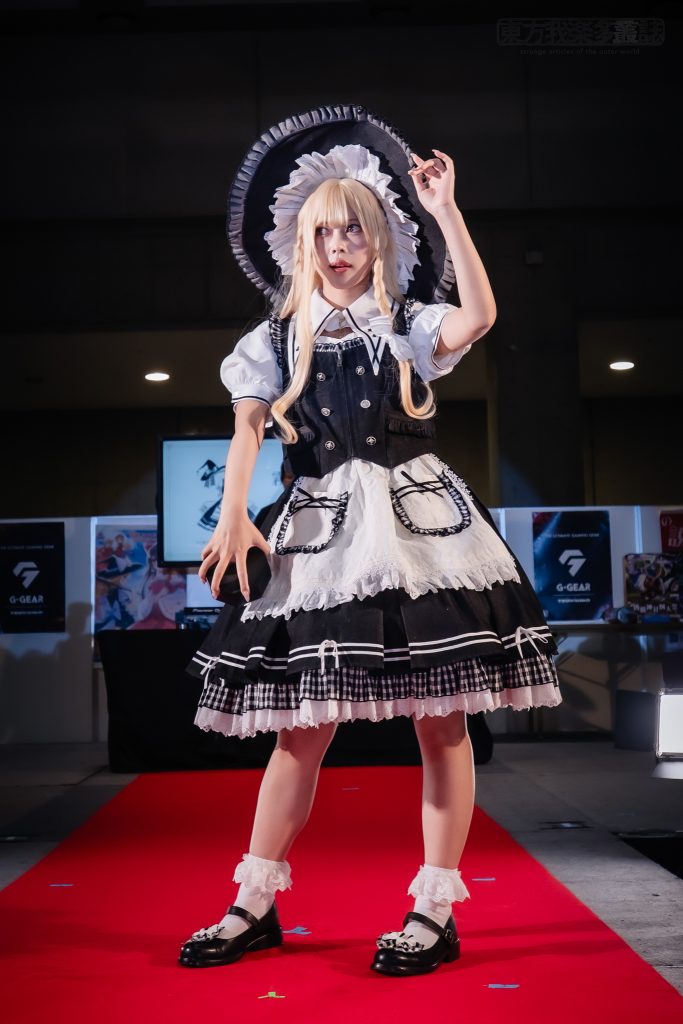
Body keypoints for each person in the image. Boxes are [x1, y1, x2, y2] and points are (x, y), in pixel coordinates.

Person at [178, 106, 562, 977]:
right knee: (298, 730)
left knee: (442, 721)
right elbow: (246, 430)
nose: (338, 246)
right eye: (323, 232)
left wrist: (446, 212)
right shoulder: (273, 339)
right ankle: (253, 904)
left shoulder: (410, 323)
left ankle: (433, 910)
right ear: (301, 242)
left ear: (379, 236)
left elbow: (480, 317)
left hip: (420, 531)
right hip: (322, 536)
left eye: (353, 229)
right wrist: (233, 512)